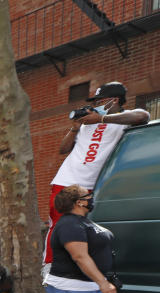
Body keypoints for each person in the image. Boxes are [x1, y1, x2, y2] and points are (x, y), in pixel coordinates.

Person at [46, 82, 149, 275]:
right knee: (59, 226)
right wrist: (76, 127)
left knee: (84, 232)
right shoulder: (86, 124)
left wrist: (101, 118)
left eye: (101, 101)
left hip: (91, 187)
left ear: (114, 100)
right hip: (66, 181)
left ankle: (79, 270)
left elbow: (143, 116)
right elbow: (63, 149)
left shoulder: (121, 120)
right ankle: (51, 268)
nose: (97, 105)